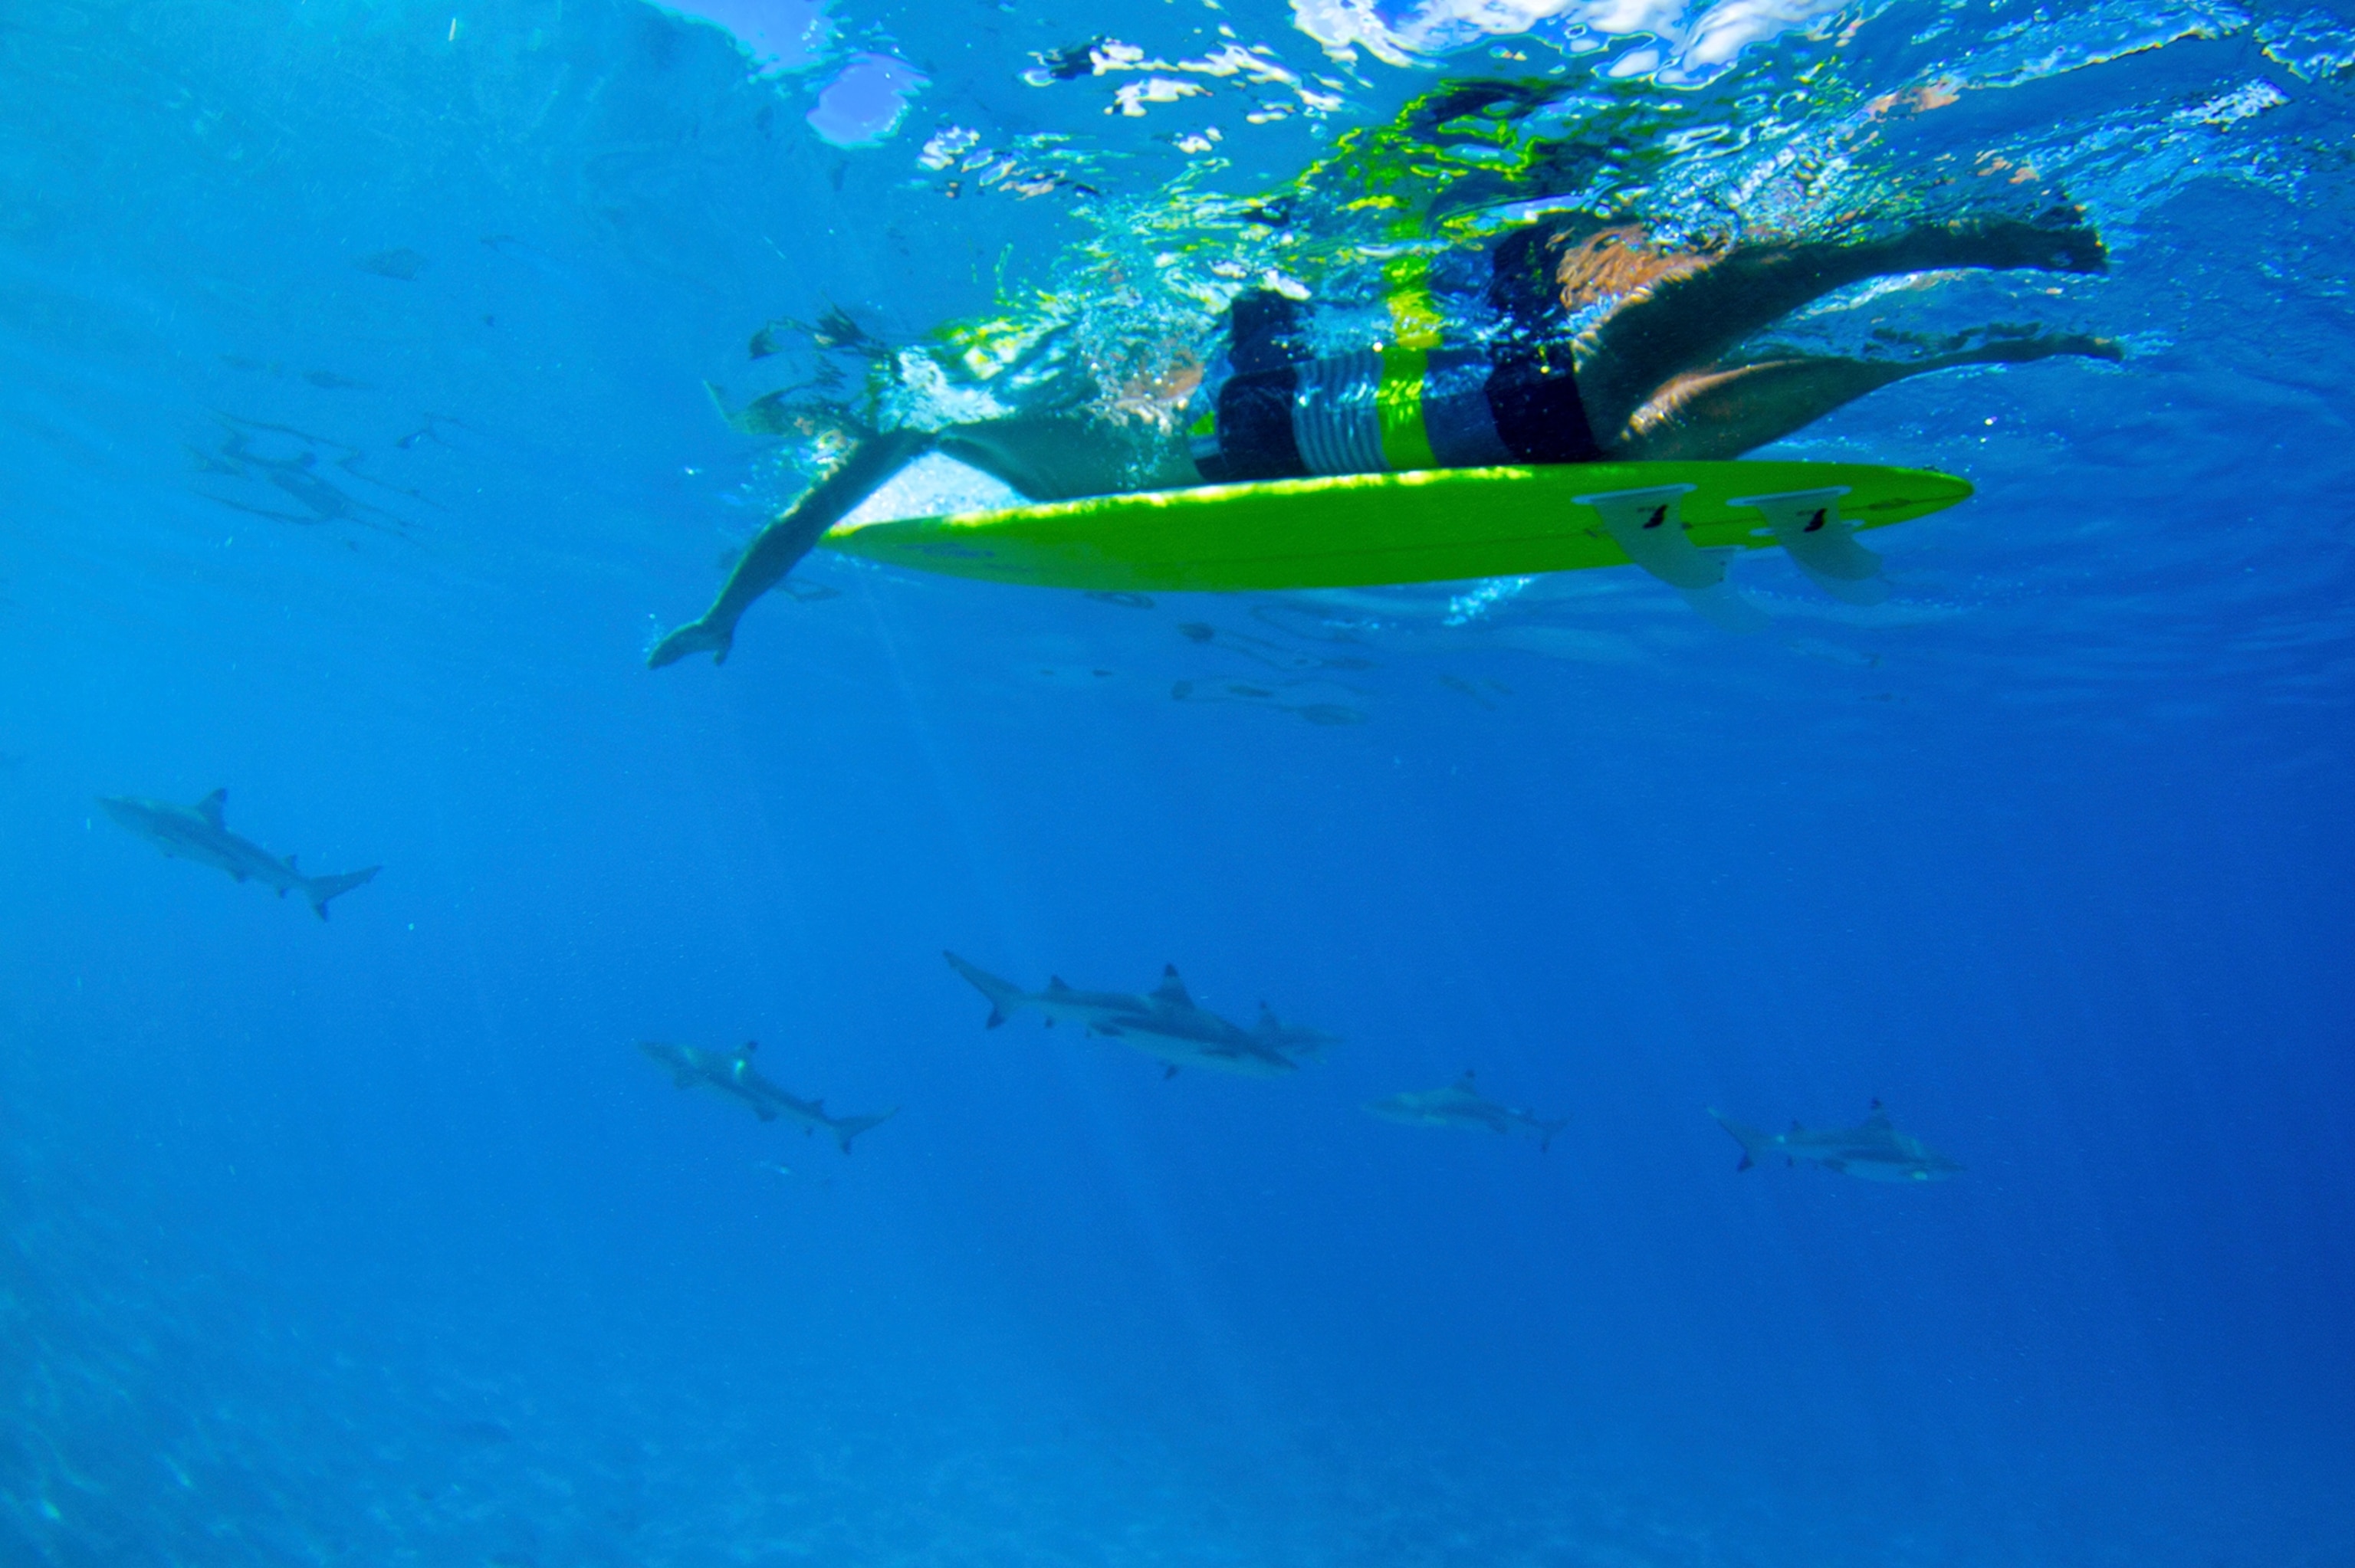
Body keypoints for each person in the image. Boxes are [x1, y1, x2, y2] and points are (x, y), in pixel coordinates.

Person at [648, 209, 2116, 669]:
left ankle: (1930, 267)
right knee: (1641, 414)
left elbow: (806, 513)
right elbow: (809, 507)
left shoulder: (948, 433)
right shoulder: (1006, 419)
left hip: (1323, 441)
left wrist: (727, 608)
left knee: (1629, 394)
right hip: (1317, 437)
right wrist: (727, 602)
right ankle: (1947, 329)